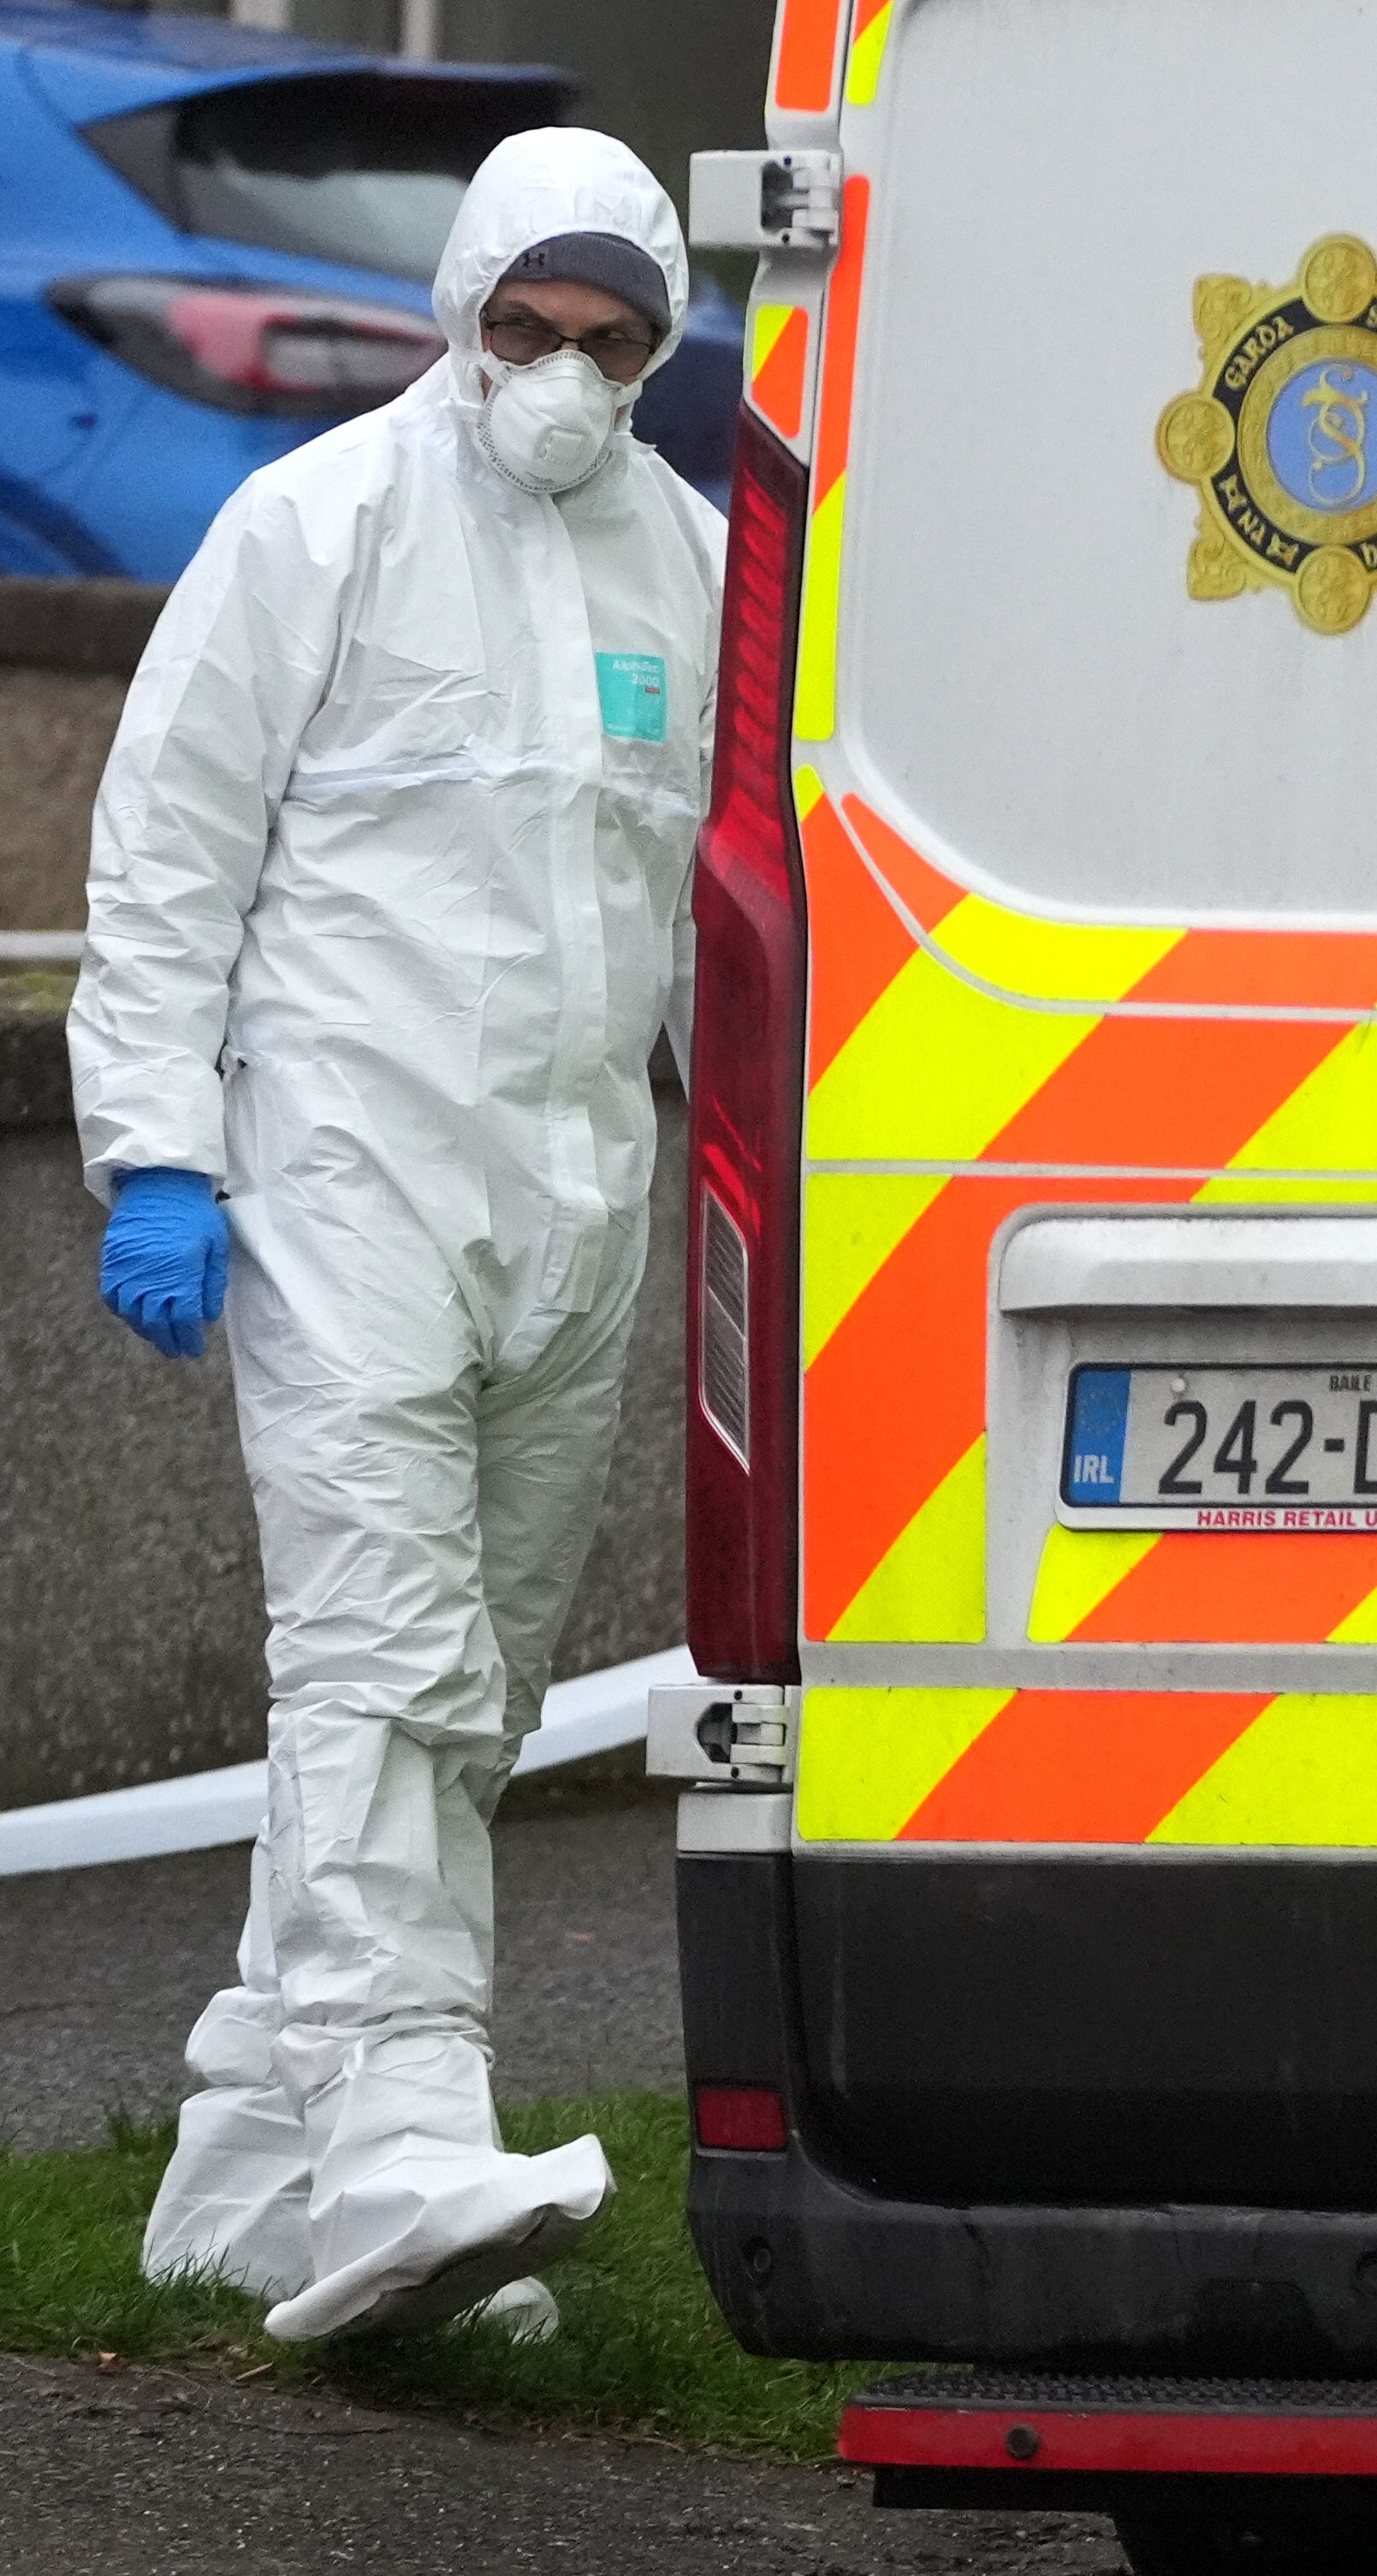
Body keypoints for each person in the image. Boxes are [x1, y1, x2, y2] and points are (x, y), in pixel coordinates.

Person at [73, 129, 726, 2345]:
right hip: (344, 1166)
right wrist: (159, 1145)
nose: (565, 369)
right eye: (529, 325)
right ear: (464, 305)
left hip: (575, 1205)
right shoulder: (318, 523)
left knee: (484, 1683)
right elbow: (172, 850)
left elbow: (712, 913)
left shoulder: (691, 563)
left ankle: (249, 2160)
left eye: (611, 336)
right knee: (384, 1652)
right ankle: (406, 2136)